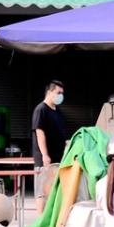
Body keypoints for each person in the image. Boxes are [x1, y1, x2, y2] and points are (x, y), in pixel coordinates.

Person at [32, 80, 67, 214]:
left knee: (53, 190)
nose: (60, 96)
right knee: (42, 191)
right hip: (45, 159)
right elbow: (40, 133)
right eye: (58, 93)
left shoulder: (58, 111)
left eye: (62, 93)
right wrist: (45, 155)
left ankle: (50, 220)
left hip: (58, 158)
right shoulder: (41, 110)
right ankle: (40, 221)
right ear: (49, 92)